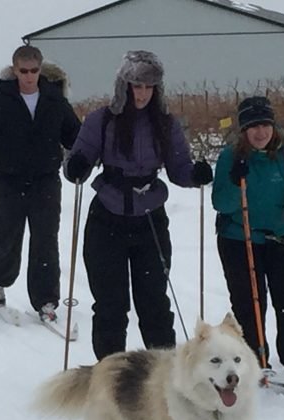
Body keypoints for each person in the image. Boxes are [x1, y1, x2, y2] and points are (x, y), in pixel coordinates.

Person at [63, 50, 213, 360]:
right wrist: (75, 166)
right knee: (110, 304)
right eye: (137, 86)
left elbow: (178, 169)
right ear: (124, 86)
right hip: (107, 218)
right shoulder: (101, 120)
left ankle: (163, 376)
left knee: (154, 302)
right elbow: (79, 159)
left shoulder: (166, 124)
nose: (143, 94)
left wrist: (194, 175)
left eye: (149, 87)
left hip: (149, 220)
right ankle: (110, 375)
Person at [0, 46, 81, 326]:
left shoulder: (55, 100)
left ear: (40, 70)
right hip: (7, 180)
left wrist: (82, 157)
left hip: (45, 181)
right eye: (23, 71)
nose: (29, 77)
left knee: (45, 241)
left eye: (34, 71)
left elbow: (74, 135)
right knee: (7, 237)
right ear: (15, 70)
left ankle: (46, 301)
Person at [211, 96, 284, 385]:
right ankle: (255, 361)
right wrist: (235, 182)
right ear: (244, 129)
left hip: (283, 239)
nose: (260, 132)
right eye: (254, 126)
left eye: (265, 125)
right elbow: (221, 203)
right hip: (239, 238)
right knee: (249, 304)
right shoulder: (230, 157)